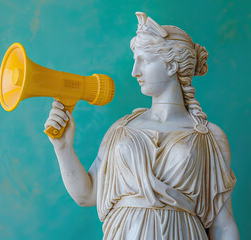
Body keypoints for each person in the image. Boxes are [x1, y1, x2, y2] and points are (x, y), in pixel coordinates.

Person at [45, 12, 239, 240]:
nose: (134, 71)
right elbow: (86, 195)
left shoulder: (210, 137)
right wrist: (63, 147)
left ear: (171, 65)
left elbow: (223, 225)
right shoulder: (121, 129)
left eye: (144, 60)